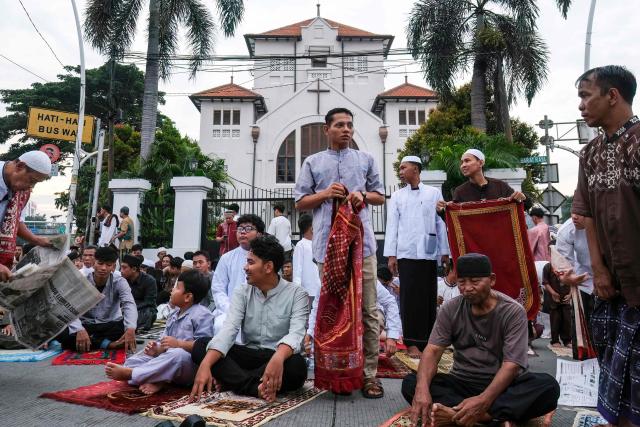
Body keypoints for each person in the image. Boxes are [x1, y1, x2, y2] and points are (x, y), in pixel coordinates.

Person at [402, 253, 559, 427]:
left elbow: (512, 365)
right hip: (462, 383)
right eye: (461, 282)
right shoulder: (451, 308)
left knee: (548, 387)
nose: (467, 288)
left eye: (475, 281)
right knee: (412, 383)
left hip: (503, 386)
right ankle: (493, 417)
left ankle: (468, 415)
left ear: (492, 280)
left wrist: (483, 401)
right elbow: (432, 351)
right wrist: (422, 390)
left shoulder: (513, 312)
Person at [294, 107, 385, 398]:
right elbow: (300, 201)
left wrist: (361, 195)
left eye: (350, 125)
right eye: (340, 125)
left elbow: (379, 196)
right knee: (334, 310)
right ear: (327, 129)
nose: (346, 129)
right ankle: (337, 376)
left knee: (369, 311)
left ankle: (370, 376)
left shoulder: (366, 159)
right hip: (326, 247)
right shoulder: (313, 162)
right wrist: (324, 194)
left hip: (363, 247)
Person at [572, 65, 640, 427]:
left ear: (612, 95)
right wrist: (598, 269)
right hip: (611, 288)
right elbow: (588, 218)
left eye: (587, 95)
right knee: (617, 379)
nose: (581, 105)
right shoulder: (590, 153)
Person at [190, 235, 309, 403]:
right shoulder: (242, 291)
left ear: (268, 267)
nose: (245, 268)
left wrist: (278, 357)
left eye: (251, 263)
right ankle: (255, 387)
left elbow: (296, 334)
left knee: (297, 367)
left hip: (279, 357)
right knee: (201, 346)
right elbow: (229, 330)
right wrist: (206, 364)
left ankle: (235, 381)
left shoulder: (297, 294)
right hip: (249, 356)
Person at [105, 270, 214, 395]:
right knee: (133, 360)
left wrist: (179, 344)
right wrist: (157, 349)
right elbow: (163, 341)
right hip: (167, 359)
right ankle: (157, 378)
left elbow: (204, 348)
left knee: (178, 355)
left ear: (187, 297)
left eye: (177, 287)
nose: (171, 290)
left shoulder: (203, 314)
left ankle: (133, 374)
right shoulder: (174, 314)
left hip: (188, 367)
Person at [384, 155, 450, 357]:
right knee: (409, 299)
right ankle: (412, 342)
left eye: (404, 167)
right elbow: (392, 226)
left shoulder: (433, 192)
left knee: (428, 298)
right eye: (400, 168)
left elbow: (440, 223)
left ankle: (429, 342)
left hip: (428, 253)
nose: (401, 171)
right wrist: (391, 255)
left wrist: (444, 252)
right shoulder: (397, 196)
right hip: (406, 253)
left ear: (416, 168)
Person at [56, 247, 138, 352]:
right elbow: (70, 307)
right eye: (100, 263)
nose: (103, 268)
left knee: (132, 325)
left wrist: (130, 328)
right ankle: (109, 344)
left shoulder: (120, 282)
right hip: (86, 324)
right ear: (94, 263)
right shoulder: (81, 281)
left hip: (109, 324)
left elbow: (129, 304)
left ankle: (93, 341)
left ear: (113, 267)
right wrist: (79, 329)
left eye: (108, 265)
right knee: (62, 331)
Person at [0, 151, 53, 280]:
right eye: (31, 180)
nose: (31, 186)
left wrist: (36, 240)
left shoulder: (21, 191)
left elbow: (15, 222)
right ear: (19, 166)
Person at [211, 214, 264, 335]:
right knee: (221, 326)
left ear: (260, 234)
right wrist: (230, 309)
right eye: (240, 229)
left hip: (259, 311)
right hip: (230, 310)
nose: (243, 232)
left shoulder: (265, 258)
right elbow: (218, 288)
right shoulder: (226, 258)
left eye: (248, 229)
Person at [437, 149, 526, 210]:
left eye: (467, 161)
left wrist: (522, 198)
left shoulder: (500, 186)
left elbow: (521, 206)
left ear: (480, 162)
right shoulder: (460, 191)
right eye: (462, 162)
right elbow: (455, 219)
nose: (463, 165)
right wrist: (442, 210)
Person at [556, 214, 593, 324]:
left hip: (618, 282)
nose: (574, 216)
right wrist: (566, 277)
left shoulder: (612, 221)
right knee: (583, 330)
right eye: (573, 210)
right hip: (584, 284)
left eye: (580, 211)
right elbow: (563, 266)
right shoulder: (566, 230)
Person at [120, 254, 158, 331]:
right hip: (126, 308)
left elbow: (149, 302)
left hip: (142, 309)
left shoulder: (149, 280)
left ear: (134, 269)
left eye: (124, 268)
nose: (121, 271)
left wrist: (131, 308)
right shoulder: (121, 280)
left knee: (148, 312)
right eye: (121, 267)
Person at [292, 214, 321, 306]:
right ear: (312, 228)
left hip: (319, 288)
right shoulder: (301, 245)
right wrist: (297, 289)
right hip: (308, 290)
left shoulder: (318, 244)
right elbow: (297, 268)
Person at [542, 263, 571, 348]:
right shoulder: (548, 267)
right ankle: (555, 340)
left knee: (567, 319)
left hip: (566, 297)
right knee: (555, 319)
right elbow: (545, 283)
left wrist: (570, 295)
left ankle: (567, 340)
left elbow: (573, 282)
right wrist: (553, 293)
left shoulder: (568, 265)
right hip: (553, 297)